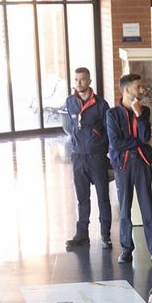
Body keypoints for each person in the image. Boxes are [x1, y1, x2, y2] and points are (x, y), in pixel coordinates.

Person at [106, 72, 152, 265]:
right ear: (126, 89)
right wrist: (137, 141)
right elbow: (115, 143)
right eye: (138, 87)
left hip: (142, 164)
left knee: (147, 209)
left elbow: (145, 137)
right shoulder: (112, 114)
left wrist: (138, 115)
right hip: (123, 165)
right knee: (124, 210)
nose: (141, 89)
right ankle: (126, 250)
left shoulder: (144, 111)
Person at [63, 66, 112, 250]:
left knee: (103, 198)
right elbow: (71, 126)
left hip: (96, 157)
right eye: (76, 79)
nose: (79, 83)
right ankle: (82, 235)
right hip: (78, 157)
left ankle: (105, 235)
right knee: (82, 198)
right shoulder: (70, 102)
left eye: (82, 79)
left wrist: (101, 149)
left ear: (89, 81)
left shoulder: (101, 105)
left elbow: (109, 132)